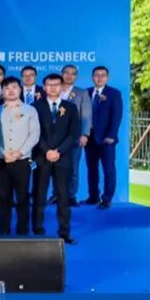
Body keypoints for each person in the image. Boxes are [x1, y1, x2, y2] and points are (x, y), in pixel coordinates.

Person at [33, 73, 81, 244]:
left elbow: (73, 134)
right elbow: (34, 133)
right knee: (39, 195)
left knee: (63, 197)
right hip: (42, 157)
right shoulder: (35, 107)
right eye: (49, 85)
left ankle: (64, 232)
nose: (53, 88)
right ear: (44, 87)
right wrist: (47, 151)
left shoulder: (71, 108)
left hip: (63, 158)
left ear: (62, 87)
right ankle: (37, 229)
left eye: (56, 85)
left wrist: (58, 151)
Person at [0, 77, 39, 236]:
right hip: (2, 161)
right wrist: (3, 152)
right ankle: (4, 231)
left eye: (14, 87)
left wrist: (20, 152)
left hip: (22, 161)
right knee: (3, 198)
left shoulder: (30, 110)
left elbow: (34, 135)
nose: (11, 91)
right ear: (2, 91)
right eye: (7, 88)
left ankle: (22, 231)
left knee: (23, 197)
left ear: (20, 90)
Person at [85, 66, 123, 209]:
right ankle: (93, 196)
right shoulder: (87, 93)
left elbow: (117, 116)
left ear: (107, 78)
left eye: (103, 75)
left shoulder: (114, 93)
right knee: (92, 169)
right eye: (97, 75)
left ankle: (107, 199)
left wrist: (111, 135)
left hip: (107, 140)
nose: (99, 78)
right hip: (90, 139)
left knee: (108, 169)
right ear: (92, 77)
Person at [57, 64, 92, 206]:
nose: (69, 76)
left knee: (73, 168)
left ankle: (71, 195)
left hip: (75, 137)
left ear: (76, 76)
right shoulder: (54, 90)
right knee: (56, 168)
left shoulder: (82, 93)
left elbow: (86, 116)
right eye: (66, 72)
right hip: (56, 138)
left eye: (73, 73)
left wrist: (85, 134)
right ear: (62, 74)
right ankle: (57, 195)